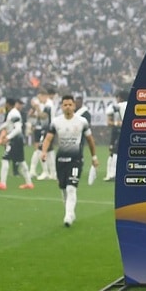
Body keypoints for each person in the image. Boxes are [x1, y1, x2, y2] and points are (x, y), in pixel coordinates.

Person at [40, 94, 99, 227]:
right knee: (63, 189)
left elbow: (90, 140)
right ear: (61, 106)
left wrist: (94, 157)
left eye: (70, 105)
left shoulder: (82, 121)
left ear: (74, 106)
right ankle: (70, 212)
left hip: (76, 160)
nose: (67, 107)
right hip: (60, 160)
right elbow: (48, 138)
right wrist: (43, 152)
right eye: (65, 105)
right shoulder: (56, 122)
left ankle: (68, 216)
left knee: (71, 187)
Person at [0, 97, 35, 190]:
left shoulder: (14, 113)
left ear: (7, 104)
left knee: (5, 159)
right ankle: (29, 183)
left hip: (15, 140)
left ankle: (2, 184)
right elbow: (7, 123)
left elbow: (18, 129)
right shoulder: (12, 113)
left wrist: (8, 137)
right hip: (17, 139)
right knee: (21, 161)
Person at [103, 89, 127, 181]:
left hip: (120, 131)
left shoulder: (118, 106)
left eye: (117, 97)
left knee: (115, 152)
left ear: (120, 98)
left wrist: (114, 122)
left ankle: (113, 174)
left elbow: (109, 114)